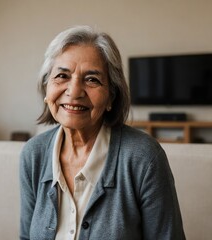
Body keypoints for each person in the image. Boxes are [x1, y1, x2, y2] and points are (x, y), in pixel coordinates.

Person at [19, 25, 185, 240]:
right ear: (47, 87)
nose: (75, 91)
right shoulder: (33, 154)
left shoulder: (144, 157)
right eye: (62, 75)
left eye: (92, 79)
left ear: (111, 97)